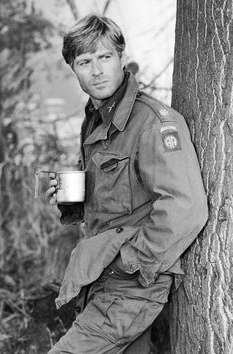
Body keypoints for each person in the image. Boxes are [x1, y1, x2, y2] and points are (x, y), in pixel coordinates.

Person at [46, 14, 208, 354]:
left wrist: (130, 264)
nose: (97, 70)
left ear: (121, 56)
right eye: (84, 61)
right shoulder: (96, 118)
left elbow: (185, 208)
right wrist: (70, 200)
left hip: (131, 282)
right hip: (101, 271)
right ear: (73, 68)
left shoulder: (152, 123)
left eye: (105, 57)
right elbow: (116, 189)